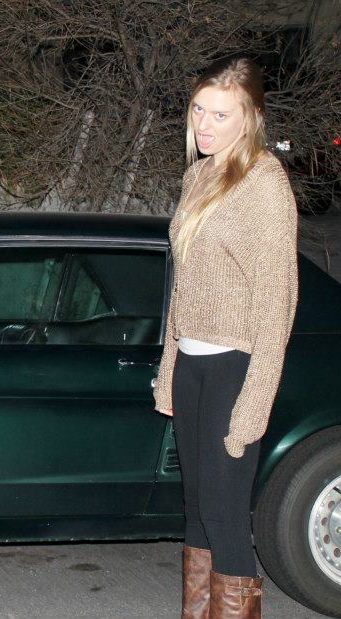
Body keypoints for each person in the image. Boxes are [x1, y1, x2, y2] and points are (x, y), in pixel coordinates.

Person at [153, 57, 298, 619]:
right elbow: (185, 285)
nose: (205, 124)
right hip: (192, 364)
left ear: (250, 117)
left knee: (224, 514)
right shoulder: (198, 176)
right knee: (196, 511)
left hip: (235, 366)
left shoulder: (263, 181)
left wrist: (253, 406)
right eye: (199, 110)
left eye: (221, 114)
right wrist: (170, 371)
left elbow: (277, 303)